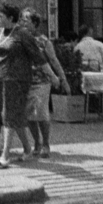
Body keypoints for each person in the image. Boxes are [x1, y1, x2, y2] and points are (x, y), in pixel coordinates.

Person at [0, 3, 40, 168]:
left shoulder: (22, 34)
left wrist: (54, 76)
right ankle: (27, 149)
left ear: (11, 18)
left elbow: (37, 56)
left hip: (16, 79)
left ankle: (5, 155)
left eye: (1, 16)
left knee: (8, 115)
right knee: (12, 116)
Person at [25, 8, 67, 159]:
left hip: (42, 82)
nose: (23, 23)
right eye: (22, 20)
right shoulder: (21, 39)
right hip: (26, 82)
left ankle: (46, 143)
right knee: (28, 114)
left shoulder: (44, 41)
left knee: (41, 112)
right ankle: (36, 141)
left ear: (35, 23)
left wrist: (62, 79)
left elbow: (54, 61)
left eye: (26, 20)